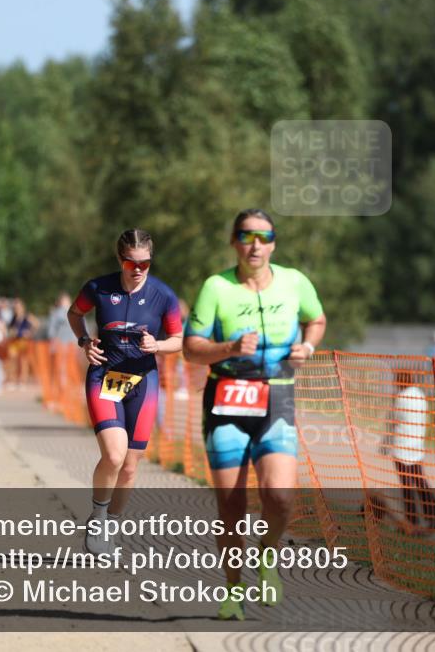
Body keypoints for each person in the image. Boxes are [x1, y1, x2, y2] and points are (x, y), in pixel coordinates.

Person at [183, 208, 326, 620]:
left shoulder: (295, 282)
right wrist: (227, 349)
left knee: (280, 497)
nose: (255, 245)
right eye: (247, 236)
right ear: (234, 242)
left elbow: (316, 319)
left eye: (264, 237)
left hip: (277, 397)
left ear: (274, 243)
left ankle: (267, 558)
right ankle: (232, 589)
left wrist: (308, 347)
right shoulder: (217, 287)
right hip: (225, 399)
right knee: (231, 504)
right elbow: (191, 347)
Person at [68, 229, 183, 557]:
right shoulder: (98, 288)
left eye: (145, 263)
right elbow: (74, 314)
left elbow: (178, 339)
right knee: (115, 455)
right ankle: (98, 517)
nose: (138, 269)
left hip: (142, 383)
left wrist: (158, 345)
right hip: (104, 376)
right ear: (120, 259)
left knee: (131, 466)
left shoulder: (164, 296)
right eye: (131, 262)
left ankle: (112, 527)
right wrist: (84, 342)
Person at [387, 369, 435, 533]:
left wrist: (393, 400)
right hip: (417, 446)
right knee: (420, 482)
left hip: (401, 447)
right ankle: (434, 516)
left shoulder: (401, 398)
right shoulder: (420, 395)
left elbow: (393, 419)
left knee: (407, 486)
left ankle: (412, 521)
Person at [7, 299, 39, 389]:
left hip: (24, 341)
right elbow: (10, 329)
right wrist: (11, 332)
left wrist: (30, 332)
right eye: (15, 308)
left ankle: (22, 381)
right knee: (12, 360)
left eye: (18, 307)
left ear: (22, 307)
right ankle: (12, 379)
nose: (16, 309)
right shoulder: (13, 318)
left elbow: (36, 324)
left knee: (23, 361)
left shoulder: (27, 316)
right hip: (15, 341)